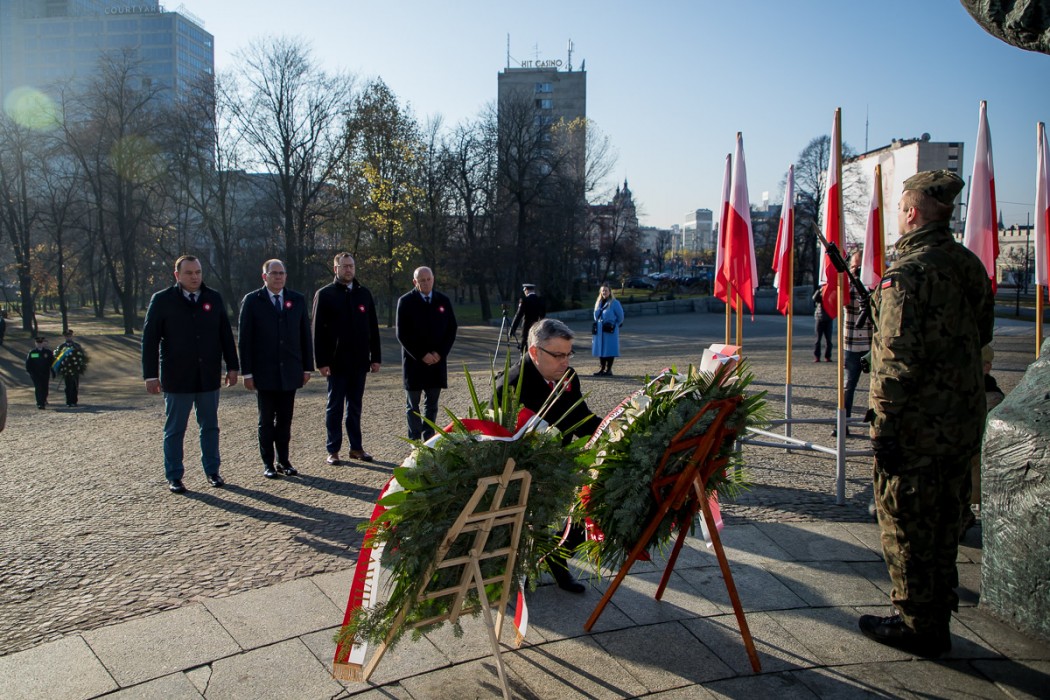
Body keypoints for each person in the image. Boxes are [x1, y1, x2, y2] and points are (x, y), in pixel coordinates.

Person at [859, 170, 994, 658]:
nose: (898, 216)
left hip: (917, 428)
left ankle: (918, 623)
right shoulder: (968, 265)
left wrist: (884, 427)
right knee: (946, 522)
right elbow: (979, 335)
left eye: (900, 208)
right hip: (960, 423)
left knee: (907, 523)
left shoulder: (907, 274)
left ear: (912, 213)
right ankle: (937, 615)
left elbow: (895, 362)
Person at [496, 318, 600, 594]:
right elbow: (503, 441)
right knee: (529, 521)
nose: (565, 362)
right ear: (534, 352)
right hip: (522, 468)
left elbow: (582, 417)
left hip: (561, 462)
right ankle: (517, 569)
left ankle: (557, 556)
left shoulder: (568, 376)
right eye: (558, 355)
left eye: (568, 354)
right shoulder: (510, 385)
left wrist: (613, 431)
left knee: (593, 497)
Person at [142, 255, 240, 494]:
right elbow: (150, 340)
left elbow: (225, 335)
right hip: (177, 378)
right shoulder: (162, 300)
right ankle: (174, 475)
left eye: (198, 272)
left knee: (210, 427)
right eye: (189, 273)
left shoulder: (213, 298)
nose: (194, 277)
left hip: (208, 376)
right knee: (175, 429)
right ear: (177, 275)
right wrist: (150, 375)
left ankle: (213, 471)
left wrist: (232, 366)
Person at [238, 259, 314, 479]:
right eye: (274, 273)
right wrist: (247, 373)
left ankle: (284, 460)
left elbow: (304, 335)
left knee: (285, 420)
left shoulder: (297, 299)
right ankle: (268, 463)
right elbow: (245, 340)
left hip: (290, 371)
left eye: (282, 273)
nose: (278, 277)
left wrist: (307, 367)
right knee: (265, 421)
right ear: (265, 276)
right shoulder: (252, 300)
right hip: (264, 373)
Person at [312, 252, 381, 464]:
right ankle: (333, 450)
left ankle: (356, 448)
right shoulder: (325, 294)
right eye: (344, 266)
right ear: (336, 269)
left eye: (351, 266)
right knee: (335, 407)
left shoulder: (364, 294)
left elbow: (373, 327)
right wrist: (321, 362)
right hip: (336, 362)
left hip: (359, 361)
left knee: (355, 407)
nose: (349, 269)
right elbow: (317, 331)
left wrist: (375, 357)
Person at [395, 266, 458, 441]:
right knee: (412, 405)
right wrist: (422, 354)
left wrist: (440, 353)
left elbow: (451, 329)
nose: (426, 283)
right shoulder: (405, 302)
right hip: (414, 362)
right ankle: (415, 439)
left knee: (432, 404)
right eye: (422, 280)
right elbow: (402, 334)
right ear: (415, 282)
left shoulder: (443, 301)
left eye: (428, 279)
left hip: (436, 362)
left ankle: (428, 438)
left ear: (433, 279)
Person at [841, 253, 873, 435]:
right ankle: (842, 423)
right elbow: (842, 301)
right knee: (848, 386)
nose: (858, 270)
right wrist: (852, 278)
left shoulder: (874, 284)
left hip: (871, 343)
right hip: (852, 343)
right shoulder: (847, 284)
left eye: (861, 267)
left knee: (878, 386)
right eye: (855, 266)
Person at [591, 283, 625, 376]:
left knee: (609, 349)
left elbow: (621, 317)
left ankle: (608, 369)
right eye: (603, 291)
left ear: (610, 292)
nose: (604, 292)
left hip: (610, 331)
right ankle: (602, 369)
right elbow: (595, 317)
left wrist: (615, 325)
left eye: (606, 290)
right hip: (600, 330)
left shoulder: (614, 303)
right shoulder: (598, 303)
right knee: (601, 350)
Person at [55, 328, 88, 407]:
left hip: (75, 369)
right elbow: (58, 358)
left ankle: (74, 401)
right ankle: (69, 401)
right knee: (68, 386)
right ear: (64, 337)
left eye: (69, 336)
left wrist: (79, 366)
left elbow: (82, 356)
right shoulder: (61, 347)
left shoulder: (76, 346)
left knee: (75, 385)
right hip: (66, 369)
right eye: (67, 336)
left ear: (72, 336)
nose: (68, 337)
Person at [509, 283, 546, 353]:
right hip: (537, 327)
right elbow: (543, 315)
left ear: (526, 290)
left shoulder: (525, 300)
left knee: (524, 348)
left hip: (526, 327)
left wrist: (512, 330)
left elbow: (518, 316)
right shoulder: (540, 300)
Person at [25, 336, 54, 409]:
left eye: (40, 343)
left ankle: (43, 400)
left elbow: (52, 363)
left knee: (45, 388)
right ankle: (40, 403)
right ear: (35, 343)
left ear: (42, 343)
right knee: (38, 388)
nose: (39, 344)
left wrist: (53, 371)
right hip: (36, 374)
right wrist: (30, 372)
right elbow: (28, 363)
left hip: (45, 373)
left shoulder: (48, 352)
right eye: (38, 343)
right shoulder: (32, 352)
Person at [812, 285, 833, 362]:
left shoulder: (831, 294)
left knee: (828, 340)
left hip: (828, 319)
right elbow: (814, 298)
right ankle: (817, 357)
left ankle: (828, 356)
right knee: (818, 340)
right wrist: (820, 290)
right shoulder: (820, 295)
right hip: (819, 318)